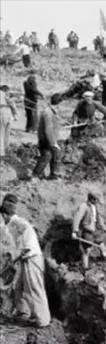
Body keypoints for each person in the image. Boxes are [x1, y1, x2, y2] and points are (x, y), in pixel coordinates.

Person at [0, 194, 51, 328]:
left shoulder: (18, 224)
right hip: (25, 259)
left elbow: (25, 248)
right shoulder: (12, 224)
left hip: (32, 258)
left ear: (4, 214)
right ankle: (23, 313)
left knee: (35, 288)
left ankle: (43, 321)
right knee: (20, 287)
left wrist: (12, 261)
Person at [72, 192, 106, 271]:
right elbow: (77, 218)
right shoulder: (83, 206)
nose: (97, 201)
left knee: (101, 244)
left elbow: (98, 218)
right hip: (87, 231)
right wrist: (74, 231)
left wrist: (104, 228)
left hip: (95, 230)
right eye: (96, 200)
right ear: (92, 199)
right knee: (87, 250)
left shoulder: (95, 207)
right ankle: (85, 268)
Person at [32, 94, 62, 180]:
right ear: (58, 104)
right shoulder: (48, 113)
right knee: (51, 154)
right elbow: (47, 130)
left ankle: (51, 175)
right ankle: (37, 175)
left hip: (49, 138)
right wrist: (53, 143)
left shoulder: (51, 111)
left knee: (50, 155)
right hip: (46, 139)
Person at [0, 85, 18, 157]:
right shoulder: (5, 95)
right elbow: (12, 104)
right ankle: (6, 150)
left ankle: (1, 152)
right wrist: (15, 115)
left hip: (2, 113)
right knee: (6, 134)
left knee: (1, 133)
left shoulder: (2, 94)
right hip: (8, 115)